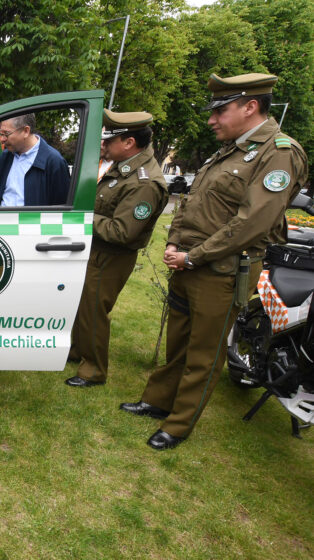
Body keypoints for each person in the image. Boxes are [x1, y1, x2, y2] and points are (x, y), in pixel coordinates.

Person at [120, 73, 308, 450]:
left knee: (203, 354)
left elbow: (251, 223)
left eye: (220, 110)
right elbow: (191, 202)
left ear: (250, 107)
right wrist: (176, 243)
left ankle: (179, 424)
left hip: (220, 271)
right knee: (178, 342)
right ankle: (158, 401)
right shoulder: (229, 150)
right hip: (190, 265)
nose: (211, 119)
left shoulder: (280, 152)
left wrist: (193, 256)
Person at [65, 109, 168, 388]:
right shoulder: (125, 167)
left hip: (112, 255)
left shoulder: (143, 182)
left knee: (94, 309)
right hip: (98, 249)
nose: (104, 145)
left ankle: (93, 371)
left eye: (109, 140)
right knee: (83, 305)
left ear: (128, 143)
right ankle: (77, 352)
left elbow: (122, 231)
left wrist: (84, 220)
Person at [0, 113, 70, 206]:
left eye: (6, 134)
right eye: (1, 133)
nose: (2, 139)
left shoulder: (54, 162)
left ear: (26, 131)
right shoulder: (5, 157)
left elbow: (61, 209)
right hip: (0, 219)